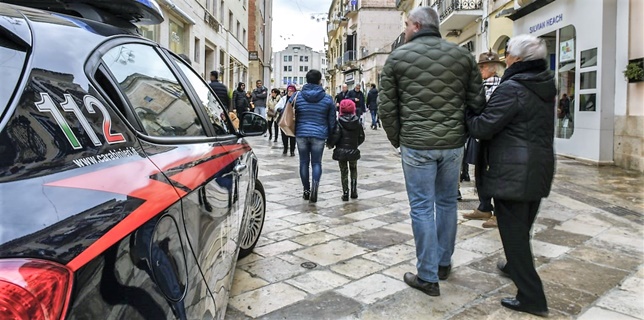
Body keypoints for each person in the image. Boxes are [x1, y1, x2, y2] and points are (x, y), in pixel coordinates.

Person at [378, 6, 485, 297]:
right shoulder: (463, 56)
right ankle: (443, 263)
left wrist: (399, 139)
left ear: (414, 25)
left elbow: (386, 107)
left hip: (416, 144)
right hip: (452, 145)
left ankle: (427, 276)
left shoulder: (398, 58)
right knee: (447, 203)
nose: (404, 29)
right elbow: (478, 102)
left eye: (405, 25)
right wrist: (460, 132)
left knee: (422, 207)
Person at [466, 34, 554, 317]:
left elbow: (483, 128)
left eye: (508, 54)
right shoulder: (544, 85)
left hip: (513, 171)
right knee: (522, 227)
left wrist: (469, 114)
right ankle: (513, 266)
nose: (505, 58)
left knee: (513, 235)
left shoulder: (513, 87)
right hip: (538, 166)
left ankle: (532, 297)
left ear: (517, 59)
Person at [462, 49, 506, 229]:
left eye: (484, 67)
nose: (480, 71)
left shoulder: (499, 87)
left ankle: (498, 213)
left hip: (494, 137)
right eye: (480, 67)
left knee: (494, 174)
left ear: (493, 68)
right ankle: (484, 206)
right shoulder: (480, 86)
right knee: (479, 172)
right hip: (480, 135)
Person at [292, 69, 336, 203]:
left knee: (303, 162)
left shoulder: (297, 96)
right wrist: (331, 135)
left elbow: (287, 110)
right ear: (319, 81)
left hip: (301, 133)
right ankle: (315, 187)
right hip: (319, 134)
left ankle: (306, 189)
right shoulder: (328, 98)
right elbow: (332, 120)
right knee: (316, 163)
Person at [327, 99, 365, 201]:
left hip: (341, 151)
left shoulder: (339, 122)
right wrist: (355, 144)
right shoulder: (357, 122)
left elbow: (335, 136)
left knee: (343, 171)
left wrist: (331, 144)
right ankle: (354, 190)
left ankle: (345, 192)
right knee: (353, 169)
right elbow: (361, 137)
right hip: (353, 150)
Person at [277, 84, 297, 156]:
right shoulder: (283, 99)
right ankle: (285, 148)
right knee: (284, 135)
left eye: (291, 91)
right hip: (284, 119)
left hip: (293, 120)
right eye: (288, 91)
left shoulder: (297, 99)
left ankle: (292, 150)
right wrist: (282, 110)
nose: (289, 92)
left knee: (292, 136)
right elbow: (278, 106)